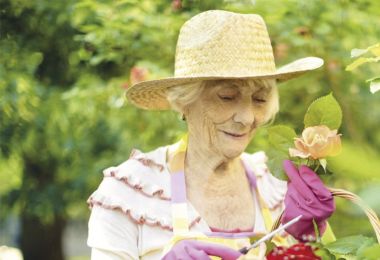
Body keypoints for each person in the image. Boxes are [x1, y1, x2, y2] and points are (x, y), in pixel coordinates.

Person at [87, 10, 335, 259]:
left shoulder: (278, 188)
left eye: (259, 99)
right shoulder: (129, 193)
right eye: (227, 96)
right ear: (185, 101)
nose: (247, 118)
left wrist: (308, 239)